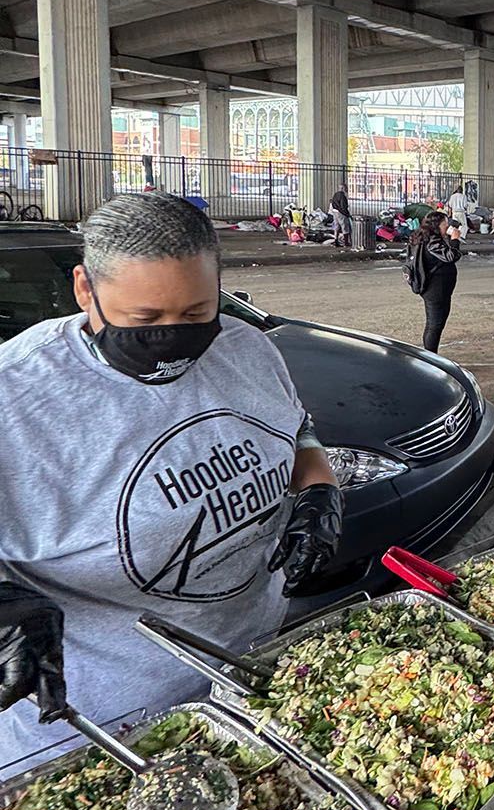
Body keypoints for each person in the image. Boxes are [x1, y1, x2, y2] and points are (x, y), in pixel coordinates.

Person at [0, 194, 342, 770]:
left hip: (253, 677)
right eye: (145, 319)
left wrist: (317, 488)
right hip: (97, 735)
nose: (174, 336)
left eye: (194, 314)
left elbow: (298, 429)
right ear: (86, 290)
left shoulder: (246, 348)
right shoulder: (16, 401)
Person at [408, 208, 461, 354]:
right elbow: (451, 256)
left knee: (436, 324)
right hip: (435, 290)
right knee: (434, 325)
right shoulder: (432, 240)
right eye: (445, 224)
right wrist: (455, 239)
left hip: (438, 288)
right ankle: (431, 357)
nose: (447, 226)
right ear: (437, 225)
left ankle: (431, 355)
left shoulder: (422, 237)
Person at [329, 183, 354, 250]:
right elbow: (343, 207)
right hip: (341, 213)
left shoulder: (335, 194)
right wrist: (347, 214)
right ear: (343, 188)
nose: (347, 190)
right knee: (345, 227)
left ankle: (336, 241)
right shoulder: (342, 196)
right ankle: (346, 243)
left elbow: (333, 203)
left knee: (336, 226)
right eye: (346, 188)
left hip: (335, 212)